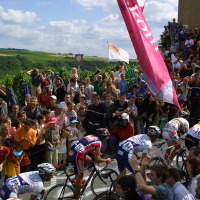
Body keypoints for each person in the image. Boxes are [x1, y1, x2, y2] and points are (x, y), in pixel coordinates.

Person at [68, 128, 111, 199]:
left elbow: (87, 147)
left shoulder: (91, 136)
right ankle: (77, 197)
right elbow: (98, 159)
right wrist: (106, 160)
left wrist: (95, 152)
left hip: (72, 152)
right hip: (78, 156)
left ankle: (75, 178)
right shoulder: (99, 143)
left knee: (89, 159)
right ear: (103, 136)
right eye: (107, 136)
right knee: (80, 180)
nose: (107, 138)